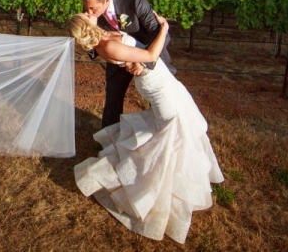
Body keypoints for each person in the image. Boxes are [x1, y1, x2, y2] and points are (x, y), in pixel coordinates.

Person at [66, 12, 223, 243]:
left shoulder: (104, 37)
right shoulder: (107, 47)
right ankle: (151, 188)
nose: (90, 13)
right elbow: (150, 55)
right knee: (173, 131)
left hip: (160, 80)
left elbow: (134, 53)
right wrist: (164, 29)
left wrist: (134, 60)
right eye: (86, 15)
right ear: (86, 26)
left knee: (176, 127)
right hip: (158, 86)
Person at [79, 0, 174, 128]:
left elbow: (161, 34)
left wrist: (140, 62)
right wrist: (90, 32)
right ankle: (109, 140)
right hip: (118, 61)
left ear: (106, 0)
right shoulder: (91, 10)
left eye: (92, 9)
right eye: (86, 8)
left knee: (161, 102)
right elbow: (92, 48)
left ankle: (157, 133)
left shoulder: (133, 0)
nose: (88, 12)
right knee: (113, 98)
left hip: (151, 59)